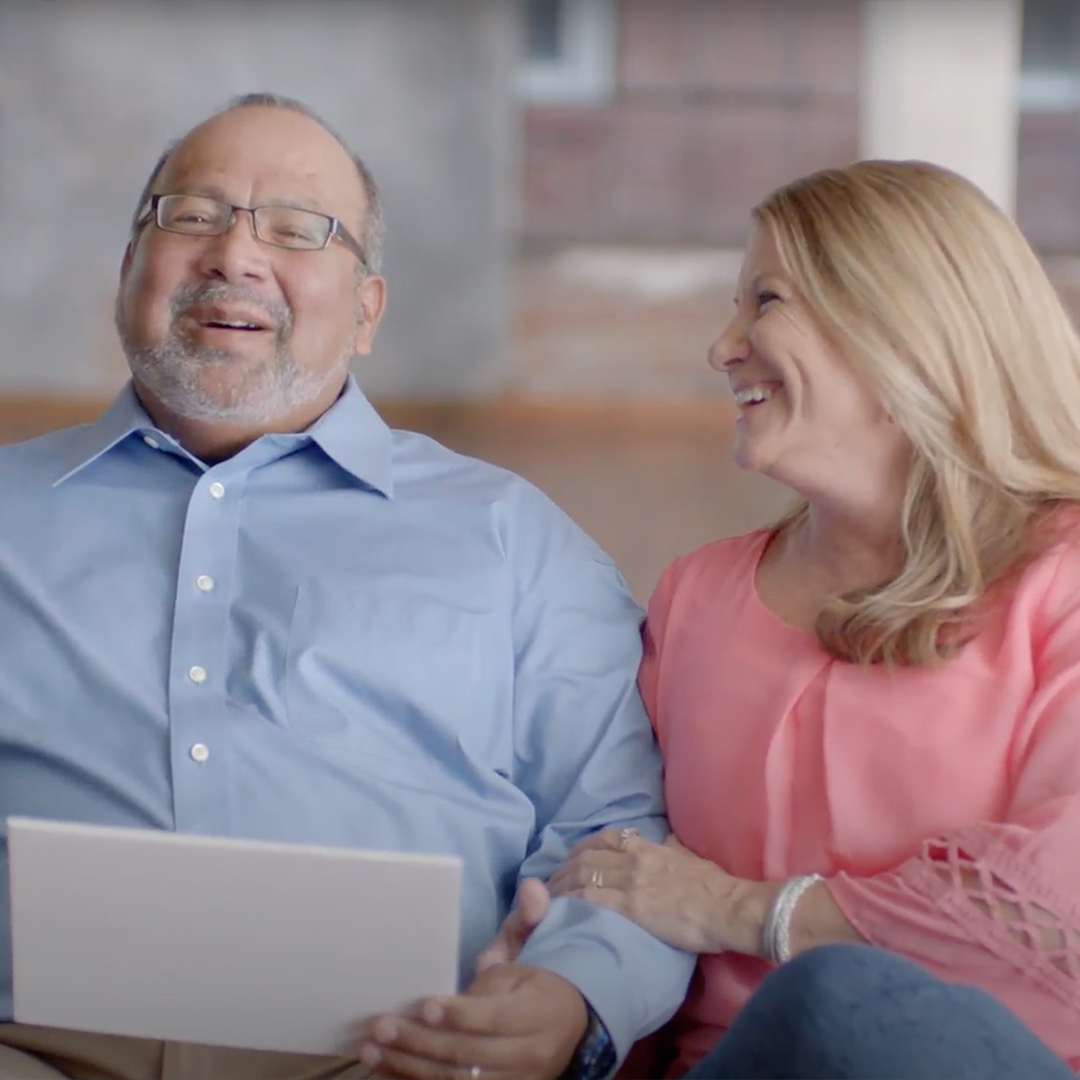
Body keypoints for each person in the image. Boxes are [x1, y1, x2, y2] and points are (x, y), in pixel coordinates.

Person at [0, 93, 694, 1080]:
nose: (236, 257)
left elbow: (614, 822)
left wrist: (569, 995)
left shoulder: (510, 536)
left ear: (367, 309)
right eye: (192, 215)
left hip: (396, 1057)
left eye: (296, 230)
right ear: (128, 271)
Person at [500, 160, 1080, 1078]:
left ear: (903, 335)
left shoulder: (1065, 580)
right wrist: (556, 978)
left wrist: (742, 910)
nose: (722, 347)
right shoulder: (696, 596)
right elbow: (628, 860)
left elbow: (1059, 905)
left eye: (764, 301)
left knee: (834, 1002)